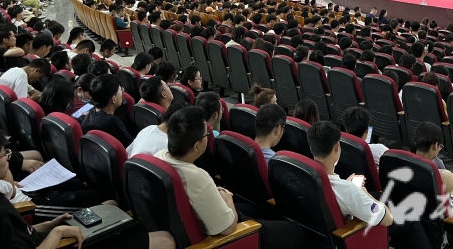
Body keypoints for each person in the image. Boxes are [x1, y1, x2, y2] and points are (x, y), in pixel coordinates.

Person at [0, 127, 175, 249]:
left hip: (53, 238)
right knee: (165, 240)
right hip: (62, 244)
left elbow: (22, 235)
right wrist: (58, 232)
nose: (9, 159)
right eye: (4, 155)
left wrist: (51, 224)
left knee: (118, 218)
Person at [157, 107, 303, 249]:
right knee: (294, 231)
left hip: (199, 217)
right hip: (227, 236)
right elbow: (228, 228)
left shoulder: (160, 156)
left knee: (254, 209)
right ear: (196, 146)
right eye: (206, 135)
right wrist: (228, 201)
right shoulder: (197, 177)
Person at [307, 120, 432, 249]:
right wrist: (364, 193)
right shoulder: (349, 191)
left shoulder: (307, 177)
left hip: (323, 235)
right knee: (409, 218)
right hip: (356, 233)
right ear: (337, 147)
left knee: (384, 198)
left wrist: (348, 185)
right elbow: (387, 219)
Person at [80, 74, 134, 147]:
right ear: (113, 99)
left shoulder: (90, 114)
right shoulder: (112, 122)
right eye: (121, 90)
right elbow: (132, 146)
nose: (122, 93)